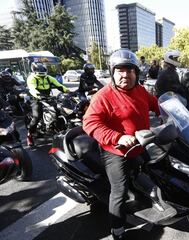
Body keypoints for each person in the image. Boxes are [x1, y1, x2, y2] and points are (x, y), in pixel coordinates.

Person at [82, 49, 160, 240]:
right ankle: (117, 229)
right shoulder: (104, 95)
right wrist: (117, 137)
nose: (125, 74)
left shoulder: (140, 90)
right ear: (112, 72)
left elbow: (157, 104)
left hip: (139, 145)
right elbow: (89, 122)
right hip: (116, 150)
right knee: (119, 191)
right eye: (120, 70)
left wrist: (172, 112)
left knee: (157, 168)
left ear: (136, 73)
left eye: (130, 70)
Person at [26, 63, 69, 146]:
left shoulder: (49, 78)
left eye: (43, 72)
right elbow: (32, 89)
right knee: (37, 116)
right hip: (36, 99)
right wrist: (39, 95)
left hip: (48, 97)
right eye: (40, 72)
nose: (42, 74)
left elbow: (59, 86)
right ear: (34, 71)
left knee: (59, 110)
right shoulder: (31, 78)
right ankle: (29, 136)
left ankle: (56, 127)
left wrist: (68, 91)